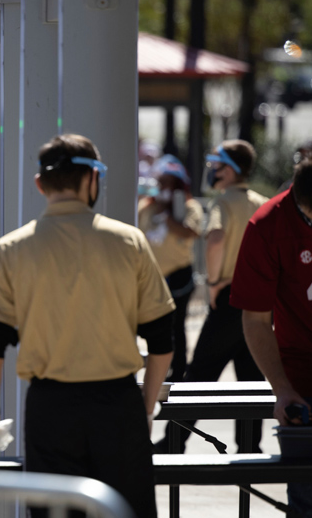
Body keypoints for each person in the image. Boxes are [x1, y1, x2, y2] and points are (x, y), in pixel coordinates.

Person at [0, 135, 175, 518]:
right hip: (118, 406)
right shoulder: (129, 242)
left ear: (39, 184)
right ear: (92, 180)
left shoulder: (10, 250)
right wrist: (145, 410)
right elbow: (162, 340)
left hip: (51, 410)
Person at [155, 139, 270, 453]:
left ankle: (172, 443)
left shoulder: (223, 203)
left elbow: (216, 238)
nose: (212, 171)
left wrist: (215, 281)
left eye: (216, 165)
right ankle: (250, 447)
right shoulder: (262, 202)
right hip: (257, 300)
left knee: (201, 372)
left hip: (229, 294)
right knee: (250, 376)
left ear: (230, 171)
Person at [232, 150, 312, 516]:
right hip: (302, 374)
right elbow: (255, 320)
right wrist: (281, 387)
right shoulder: (268, 225)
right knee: (306, 493)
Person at [138, 156, 203, 381]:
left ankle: (178, 372)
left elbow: (192, 232)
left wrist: (170, 217)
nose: (164, 186)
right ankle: (157, 370)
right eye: (161, 181)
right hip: (152, 277)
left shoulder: (189, 207)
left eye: (170, 182)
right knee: (154, 327)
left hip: (178, 277)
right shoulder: (146, 207)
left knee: (177, 327)